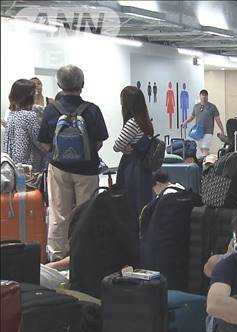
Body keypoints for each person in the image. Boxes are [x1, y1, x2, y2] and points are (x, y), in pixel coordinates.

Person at [38, 65, 109, 260]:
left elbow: (44, 143)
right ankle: (85, 254)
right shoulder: (92, 110)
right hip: (87, 170)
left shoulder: (51, 110)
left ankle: (58, 257)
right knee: (87, 214)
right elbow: (100, 141)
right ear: (82, 84)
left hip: (59, 169)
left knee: (58, 214)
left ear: (59, 84)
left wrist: (60, 151)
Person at [113, 86, 155, 216]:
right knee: (142, 201)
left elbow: (117, 146)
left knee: (130, 202)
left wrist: (124, 148)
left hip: (132, 168)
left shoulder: (132, 123)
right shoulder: (145, 121)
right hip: (144, 168)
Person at [4, 79, 49, 173]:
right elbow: (40, 142)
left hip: (12, 164)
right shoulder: (29, 115)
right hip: (29, 167)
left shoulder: (12, 114)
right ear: (29, 95)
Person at [181, 90, 222, 158]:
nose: (204, 96)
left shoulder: (212, 107)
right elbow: (192, 116)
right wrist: (186, 122)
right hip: (199, 132)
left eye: (205, 95)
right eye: (202, 95)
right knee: (202, 150)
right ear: (200, 96)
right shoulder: (196, 106)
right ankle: (210, 161)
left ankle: (204, 166)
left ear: (207, 96)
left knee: (205, 148)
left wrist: (222, 130)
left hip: (208, 131)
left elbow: (218, 119)